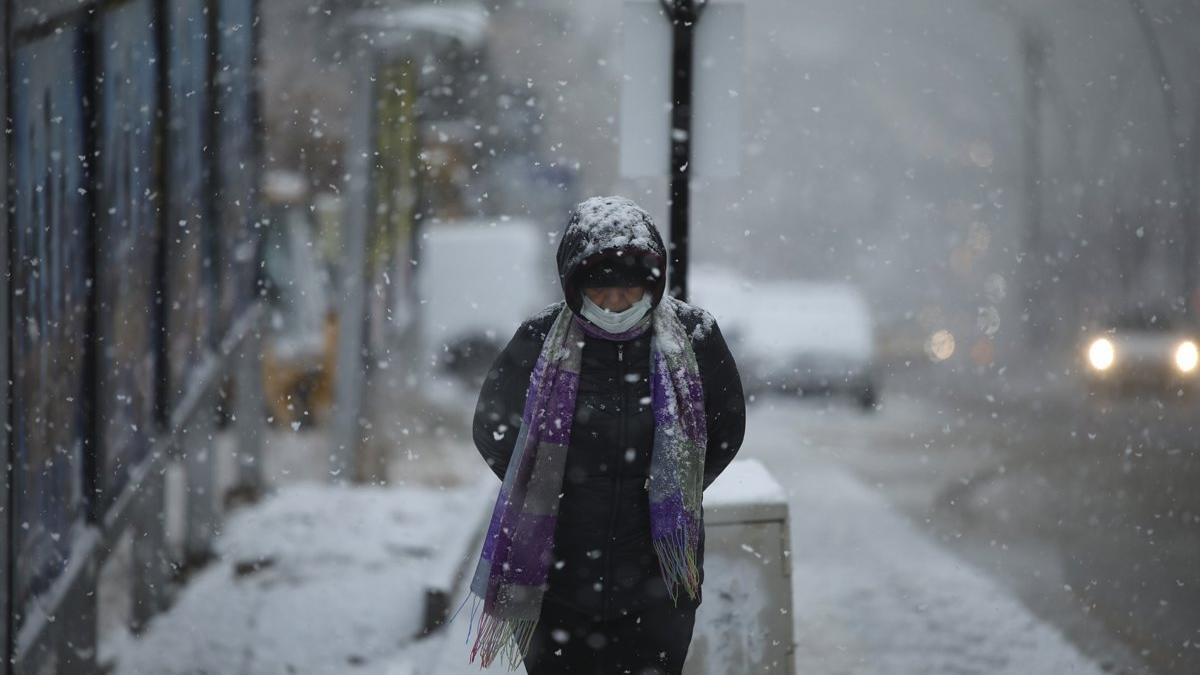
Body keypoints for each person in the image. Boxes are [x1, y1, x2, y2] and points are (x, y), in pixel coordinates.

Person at [461, 196, 746, 674]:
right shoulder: (538, 339)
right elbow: (493, 428)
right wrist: (556, 490)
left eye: (630, 290)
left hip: (660, 579)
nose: (616, 304)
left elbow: (725, 428)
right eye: (602, 292)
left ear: (652, 285)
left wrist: (667, 490)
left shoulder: (695, 337)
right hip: (558, 582)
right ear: (575, 288)